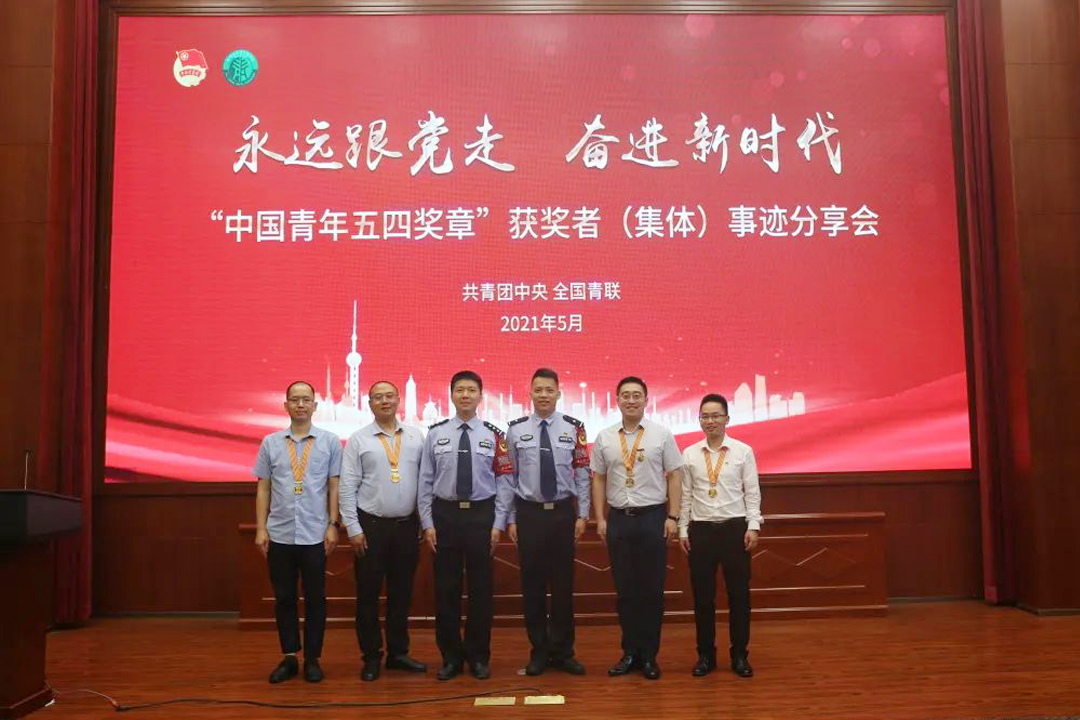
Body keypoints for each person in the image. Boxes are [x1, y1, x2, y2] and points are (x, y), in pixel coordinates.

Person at [417, 370, 514, 680]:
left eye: (472, 390)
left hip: (481, 516)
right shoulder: (435, 434)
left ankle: (478, 656)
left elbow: (505, 482)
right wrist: (427, 522)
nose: (466, 395)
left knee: (481, 591)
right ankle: (450, 657)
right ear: (451, 395)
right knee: (446, 591)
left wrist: (498, 523)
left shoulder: (494, 435)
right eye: (460, 390)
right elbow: (425, 481)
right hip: (444, 516)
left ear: (480, 396)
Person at [591, 376, 683, 680]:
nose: (631, 400)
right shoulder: (605, 437)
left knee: (652, 591)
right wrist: (600, 518)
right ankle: (629, 653)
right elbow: (599, 478)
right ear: (617, 400)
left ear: (645, 399)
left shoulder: (661, 434)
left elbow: (675, 475)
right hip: (618, 519)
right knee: (626, 591)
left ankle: (649, 656)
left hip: (653, 518)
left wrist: (672, 516)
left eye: (636, 395)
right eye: (625, 395)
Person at [501, 368, 591, 676]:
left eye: (549, 390)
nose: (543, 395)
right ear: (530, 393)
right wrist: (510, 518)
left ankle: (563, 652)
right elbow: (508, 477)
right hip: (529, 514)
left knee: (564, 586)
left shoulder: (574, 428)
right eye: (538, 389)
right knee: (533, 587)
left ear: (558, 393)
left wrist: (583, 514)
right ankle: (539, 651)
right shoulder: (515, 430)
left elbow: (582, 473)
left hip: (563, 513)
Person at [253, 380, 342, 684]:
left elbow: (334, 485)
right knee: (284, 598)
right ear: (286, 405)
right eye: (295, 399)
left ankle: (313, 659)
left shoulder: (330, 442)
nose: (300, 404)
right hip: (279, 533)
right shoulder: (271, 443)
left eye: (306, 400)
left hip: (315, 534)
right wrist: (261, 528)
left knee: (316, 599)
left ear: (315, 406)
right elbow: (264, 487)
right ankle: (290, 656)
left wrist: (333, 524)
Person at [339, 381, 427, 681]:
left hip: (407, 527)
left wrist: (424, 522)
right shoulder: (358, 439)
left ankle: (398, 653)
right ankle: (371, 656)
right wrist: (353, 527)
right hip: (371, 527)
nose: (385, 401)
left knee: (401, 593)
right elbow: (347, 486)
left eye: (389, 396)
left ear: (399, 400)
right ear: (370, 403)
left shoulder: (416, 436)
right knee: (368, 594)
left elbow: (425, 482)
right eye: (378, 397)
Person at [678, 393, 762, 678]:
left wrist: (753, 526)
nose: (710, 421)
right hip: (701, 530)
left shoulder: (743, 451)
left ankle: (739, 655)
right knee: (703, 599)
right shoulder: (689, 454)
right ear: (699, 420)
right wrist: (683, 528)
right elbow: (686, 495)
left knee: (739, 596)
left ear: (727, 418)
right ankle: (705, 656)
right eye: (705, 416)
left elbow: (752, 492)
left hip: (734, 530)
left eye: (715, 416)